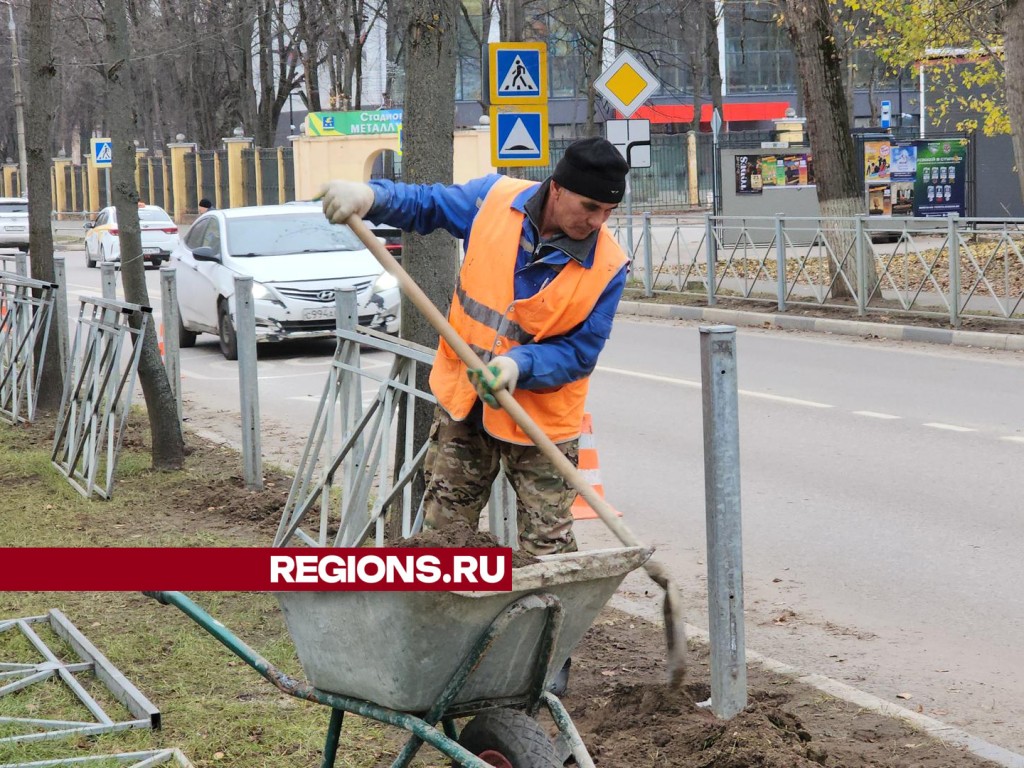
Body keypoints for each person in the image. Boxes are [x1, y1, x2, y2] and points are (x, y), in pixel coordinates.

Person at [319, 137, 630, 556]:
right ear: (557, 188)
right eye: (589, 207)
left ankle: (550, 618)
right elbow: (428, 205)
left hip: (541, 420)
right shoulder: (495, 200)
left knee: (548, 546)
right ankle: (447, 617)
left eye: (608, 212)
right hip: (465, 402)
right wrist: (372, 197)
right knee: (444, 533)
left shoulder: (608, 265)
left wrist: (518, 366)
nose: (597, 221)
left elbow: (580, 352)